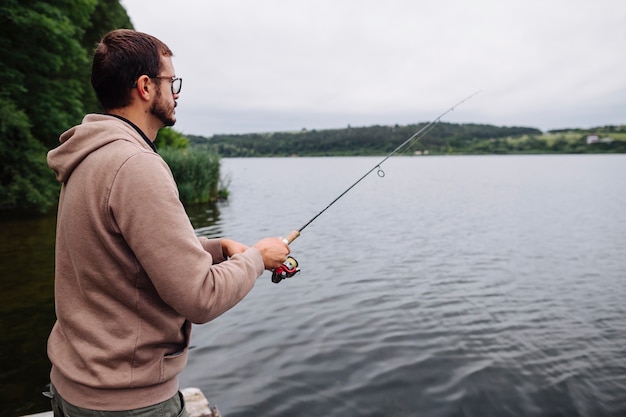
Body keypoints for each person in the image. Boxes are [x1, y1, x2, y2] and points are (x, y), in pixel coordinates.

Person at [45, 29, 290, 416]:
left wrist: (216, 247)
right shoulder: (135, 165)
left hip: (73, 387)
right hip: (126, 402)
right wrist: (258, 258)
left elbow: (119, 254)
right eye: (170, 81)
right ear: (145, 87)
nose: (176, 93)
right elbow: (201, 298)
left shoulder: (87, 155)